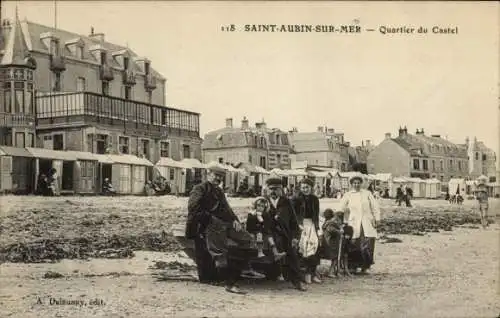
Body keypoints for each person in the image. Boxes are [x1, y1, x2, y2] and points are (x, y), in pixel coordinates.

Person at [186, 163, 250, 294]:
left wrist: (234, 220)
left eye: (221, 177)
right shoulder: (199, 189)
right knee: (208, 254)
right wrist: (211, 219)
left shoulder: (219, 191)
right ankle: (226, 280)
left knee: (244, 237)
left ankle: (230, 273)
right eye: (216, 175)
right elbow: (193, 209)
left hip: (216, 226)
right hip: (200, 225)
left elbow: (226, 209)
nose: (218, 179)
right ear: (208, 174)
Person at [264, 177, 307, 291]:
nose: (273, 191)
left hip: (284, 234)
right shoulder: (263, 201)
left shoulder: (286, 202)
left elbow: (294, 221)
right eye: (271, 189)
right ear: (267, 189)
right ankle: (273, 276)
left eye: (276, 189)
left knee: (292, 254)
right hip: (268, 233)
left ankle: (297, 282)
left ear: (281, 189)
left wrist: (295, 237)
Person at [340, 176, 381, 274]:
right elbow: (341, 208)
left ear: (361, 184)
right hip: (354, 222)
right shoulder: (348, 195)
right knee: (354, 244)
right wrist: (342, 219)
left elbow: (375, 207)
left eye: (358, 183)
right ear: (351, 184)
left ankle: (366, 266)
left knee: (368, 244)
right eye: (354, 183)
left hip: (367, 221)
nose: (356, 185)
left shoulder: (367, 194)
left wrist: (377, 218)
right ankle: (353, 266)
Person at [292, 178, 322, 284]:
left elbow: (316, 215)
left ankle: (311, 273)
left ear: (311, 188)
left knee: (314, 245)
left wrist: (317, 228)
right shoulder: (296, 199)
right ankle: (302, 274)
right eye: (303, 187)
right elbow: (293, 214)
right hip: (300, 225)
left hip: (311, 224)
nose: (305, 189)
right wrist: (298, 225)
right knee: (303, 247)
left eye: (307, 187)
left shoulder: (315, 199)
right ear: (300, 188)